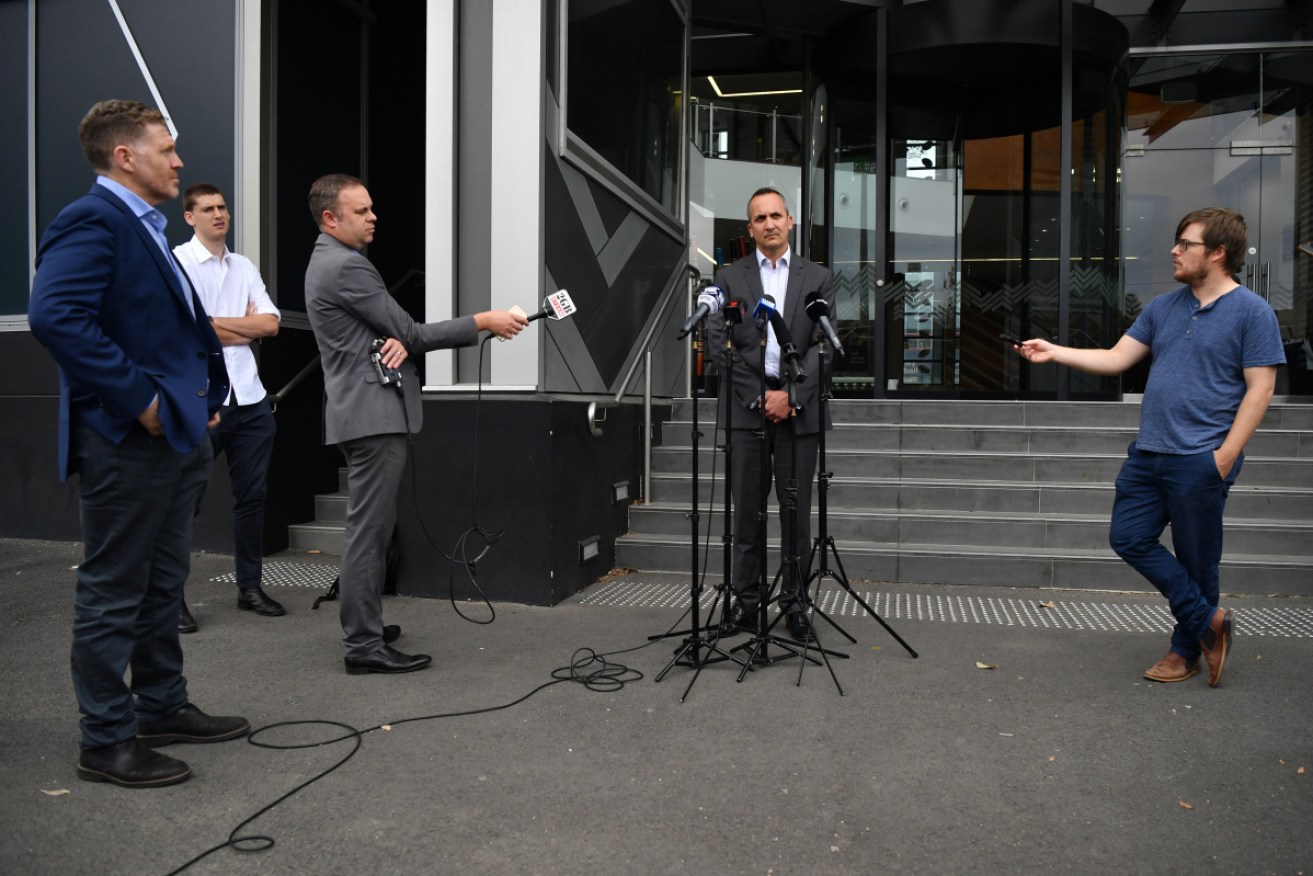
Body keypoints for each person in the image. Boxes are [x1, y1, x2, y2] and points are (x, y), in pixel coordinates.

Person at [28, 99, 250, 788]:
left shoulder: (145, 227)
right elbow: (54, 315)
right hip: (125, 440)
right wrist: (146, 400)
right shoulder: (93, 218)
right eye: (167, 148)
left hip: (174, 438)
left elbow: (166, 328)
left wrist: (199, 405)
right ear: (125, 156)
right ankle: (106, 741)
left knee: (161, 583)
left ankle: (161, 707)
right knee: (113, 590)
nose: (180, 161)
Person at [1013, 207, 1285, 687]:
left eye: (1186, 244)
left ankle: (1185, 652)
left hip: (1200, 458)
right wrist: (1053, 351)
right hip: (1149, 453)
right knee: (1128, 536)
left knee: (1198, 560)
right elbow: (1118, 358)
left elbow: (1260, 390)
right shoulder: (1163, 307)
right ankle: (1209, 622)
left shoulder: (1252, 312)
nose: (1175, 251)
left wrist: (1223, 458)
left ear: (1218, 252)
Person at [303, 173, 528, 675]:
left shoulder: (329, 262)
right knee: (370, 533)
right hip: (371, 415)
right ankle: (363, 646)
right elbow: (408, 330)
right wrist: (484, 321)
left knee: (372, 530)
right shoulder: (346, 268)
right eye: (361, 211)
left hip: (361, 412)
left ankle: (366, 626)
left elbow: (387, 335)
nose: (373, 216)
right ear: (330, 219)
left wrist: (398, 340)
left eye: (371, 208)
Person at [709, 187, 835, 642]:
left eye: (776, 215)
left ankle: (796, 604)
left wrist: (792, 396)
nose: (769, 224)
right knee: (746, 514)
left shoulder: (818, 277)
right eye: (759, 218)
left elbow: (824, 349)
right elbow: (719, 343)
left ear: (791, 220)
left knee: (796, 515)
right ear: (750, 228)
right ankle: (745, 602)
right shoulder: (728, 276)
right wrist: (761, 396)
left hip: (799, 416)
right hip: (748, 413)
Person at [174, 183, 284, 632]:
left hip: (252, 399)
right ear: (189, 217)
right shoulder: (178, 263)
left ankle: (249, 588)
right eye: (208, 209)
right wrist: (244, 329)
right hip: (202, 401)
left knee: (252, 499)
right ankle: (170, 598)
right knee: (183, 503)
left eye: (223, 207)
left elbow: (271, 325)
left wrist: (214, 325)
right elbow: (184, 329)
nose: (219, 214)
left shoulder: (243, 265)